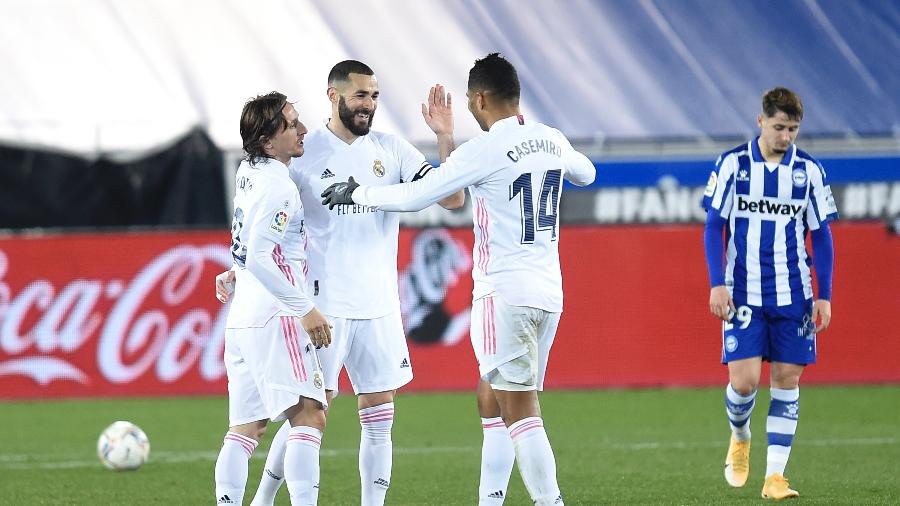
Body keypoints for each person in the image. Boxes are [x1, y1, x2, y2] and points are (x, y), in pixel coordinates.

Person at [322, 52, 596, 506]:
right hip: (549, 293)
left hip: (502, 293)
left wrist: (358, 192)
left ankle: (552, 501)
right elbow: (586, 173)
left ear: (482, 98)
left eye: (470, 100)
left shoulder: (484, 150)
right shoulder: (550, 139)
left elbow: (420, 196)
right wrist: (552, 154)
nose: (470, 108)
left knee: (520, 411)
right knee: (492, 397)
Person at [216, 60, 464, 506]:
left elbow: (452, 196)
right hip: (322, 305)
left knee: (379, 415)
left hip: (381, 304)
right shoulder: (302, 152)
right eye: (360, 96)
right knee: (308, 411)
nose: (369, 105)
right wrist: (243, 267)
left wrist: (445, 137)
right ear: (334, 96)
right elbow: (266, 221)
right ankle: (265, 497)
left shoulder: (394, 150)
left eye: (374, 96)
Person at [701, 87, 837, 500]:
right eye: (779, 127)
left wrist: (824, 294)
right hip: (743, 291)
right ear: (761, 122)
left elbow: (822, 235)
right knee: (743, 384)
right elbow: (712, 226)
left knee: (787, 377)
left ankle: (775, 477)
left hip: (793, 291)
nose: (786, 136)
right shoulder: (733, 165)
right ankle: (739, 436)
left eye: (793, 129)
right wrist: (716, 282)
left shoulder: (809, 171)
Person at [214, 92, 332, 506]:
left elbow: (249, 244)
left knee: (245, 428)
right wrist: (306, 309)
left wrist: (235, 269)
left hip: (243, 315)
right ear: (267, 140)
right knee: (310, 414)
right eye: (292, 125)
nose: (303, 131)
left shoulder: (249, 171)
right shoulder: (280, 187)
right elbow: (264, 255)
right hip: (276, 314)